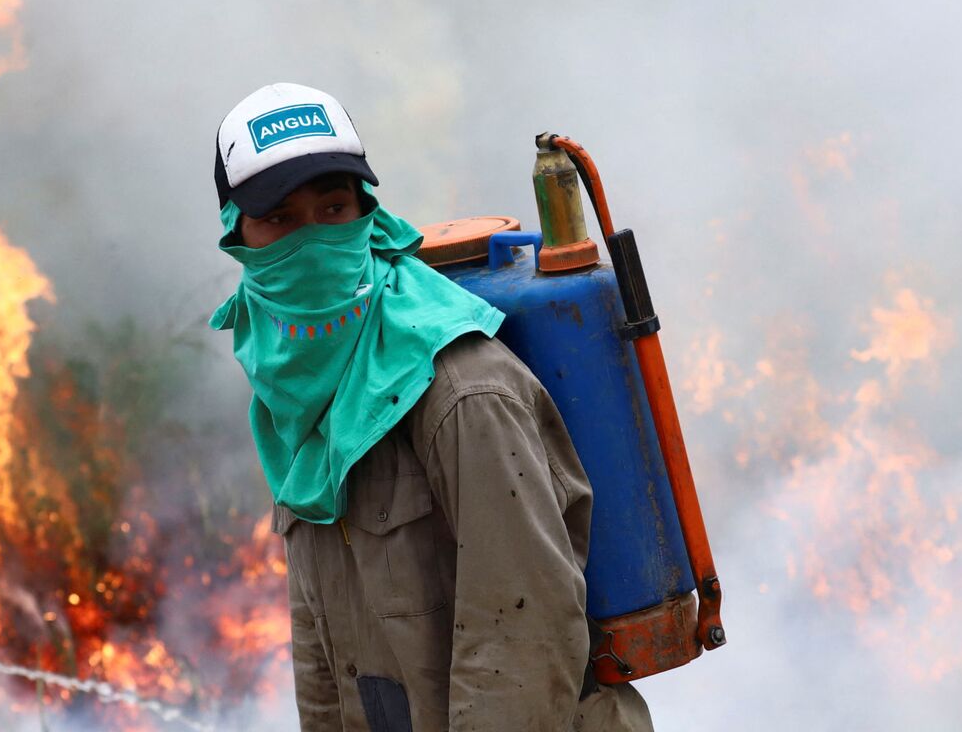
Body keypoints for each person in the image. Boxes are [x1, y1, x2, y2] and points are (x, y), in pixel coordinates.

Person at [210, 83, 653, 732]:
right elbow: (325, 657)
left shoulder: (464, 394)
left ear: (366, 216)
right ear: (237, 236)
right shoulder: (298, 405)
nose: (312, 240)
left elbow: (524, 647)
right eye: (279, 219)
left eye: (334, 209)